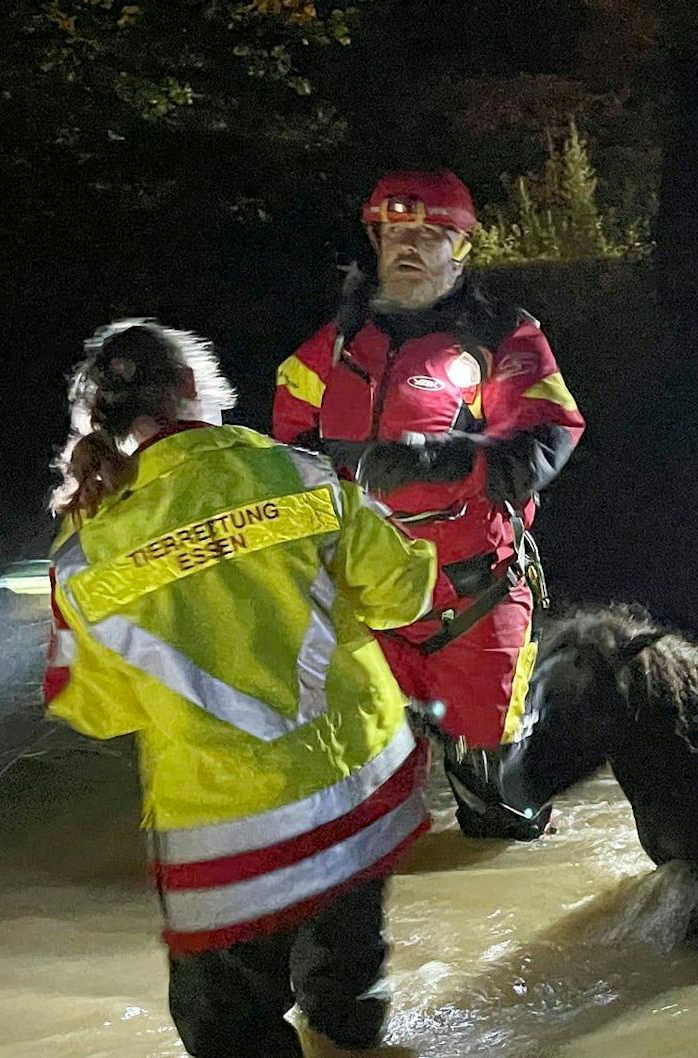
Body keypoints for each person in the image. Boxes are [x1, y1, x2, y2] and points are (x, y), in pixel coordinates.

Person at [44, 320, 438, 1058]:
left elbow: (93, 708)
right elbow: (403, 593)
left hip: (228, 835)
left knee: (229, 1029)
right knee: (346, 994)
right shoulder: (303, 476)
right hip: (357, 791)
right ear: (195, 387)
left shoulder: (83, 553)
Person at [272, 169, 585, 841]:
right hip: (362, 601)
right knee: (347, 805)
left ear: (461, 248)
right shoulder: (333, 349)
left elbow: (545, 440)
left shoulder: (505, 337)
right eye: (394, 234)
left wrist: (437, 460)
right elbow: (284, 454)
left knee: (501, 808)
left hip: (473, 599)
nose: (407, 247)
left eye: (428, 235)